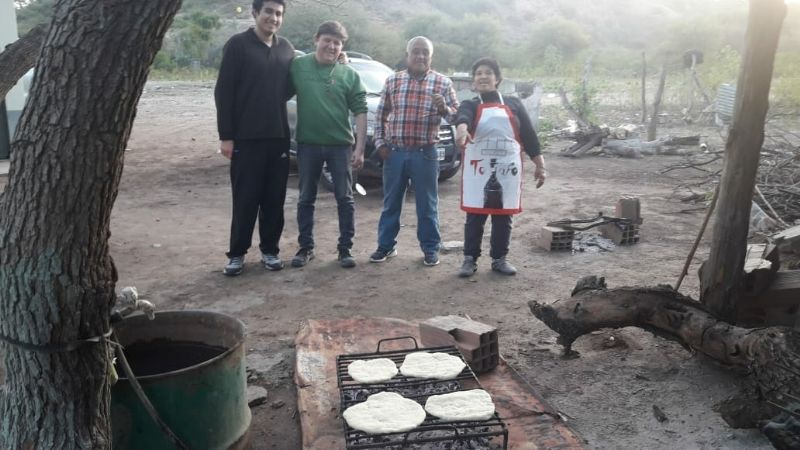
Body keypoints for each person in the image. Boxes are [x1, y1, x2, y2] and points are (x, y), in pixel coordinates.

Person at [215, 0, 294, 276]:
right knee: (245, 198)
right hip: (246, 139)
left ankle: (270, 251)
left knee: (274, 199)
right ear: (255, 13)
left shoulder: (286, 49)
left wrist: (336, 61)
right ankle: (236, 254)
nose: (274, 18)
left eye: (279, 13)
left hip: (278, 138)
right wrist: (227, 136)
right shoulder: (238, 45)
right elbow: (223, 92)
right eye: (269, 12)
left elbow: (291, 88)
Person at [370, 36, 459, 267]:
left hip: (425, 153)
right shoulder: (393, 81)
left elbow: (457, 117)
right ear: (407, 54)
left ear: (431, 56)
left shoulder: (442, 83)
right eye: (416, 52)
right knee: (391, 203)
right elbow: (381, 115)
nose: (420, 56)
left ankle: (430, 248)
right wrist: (380, 144)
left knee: (427, 204)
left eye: (425, 53)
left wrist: (444, 108)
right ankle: (386, 246)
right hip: (395, 153)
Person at [454, 57, 546, 277]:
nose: (483, 76)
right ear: (474, 81)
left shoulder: (514, 103)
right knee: (475, 215)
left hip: (507, 169)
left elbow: (529, 136)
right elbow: (462, 117)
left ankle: (499, 259)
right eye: (478, 73)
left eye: (488, 72)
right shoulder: (470, 104)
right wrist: (461, 128)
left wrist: (540, 166)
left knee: (503, 215)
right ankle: (469, 259)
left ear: (497, 79)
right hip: (479, 169)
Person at [289, 21, 367, 269]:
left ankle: (345, 249)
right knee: (305, 198)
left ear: (341, 46)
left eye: (337, 42)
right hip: (308, 144)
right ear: (316, 39)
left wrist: (360, 148)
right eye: (328, 40)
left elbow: (361, 111)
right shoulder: (298, 67)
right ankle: (306, 248)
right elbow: (276, 90)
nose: (332, 46)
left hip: (340, 146)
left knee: (345, 198)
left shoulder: (349, 74)